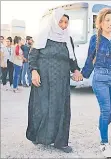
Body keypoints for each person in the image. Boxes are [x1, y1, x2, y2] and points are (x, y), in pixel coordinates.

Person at [26, 8, 82, 153]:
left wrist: (76, 70)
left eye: (66, 22)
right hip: (43, 80)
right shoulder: (43, 35)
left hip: (61, 81)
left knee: (61, 109)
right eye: (61, 21)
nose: (63, 25)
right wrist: (34, 71)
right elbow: (33, 56)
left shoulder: (67, 39)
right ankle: (38, 135)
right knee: (42, 108)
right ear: (54, 21)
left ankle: (60, 141)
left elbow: (72, 59)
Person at [80, 8, 111, 158]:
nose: (110, 23)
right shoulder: (95, 39)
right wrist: (83, 74)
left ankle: (102, 127)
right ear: (100, 23)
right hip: (100, 78)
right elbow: (90, 58)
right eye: (107, 20)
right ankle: (104, 142)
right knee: (106, 110)